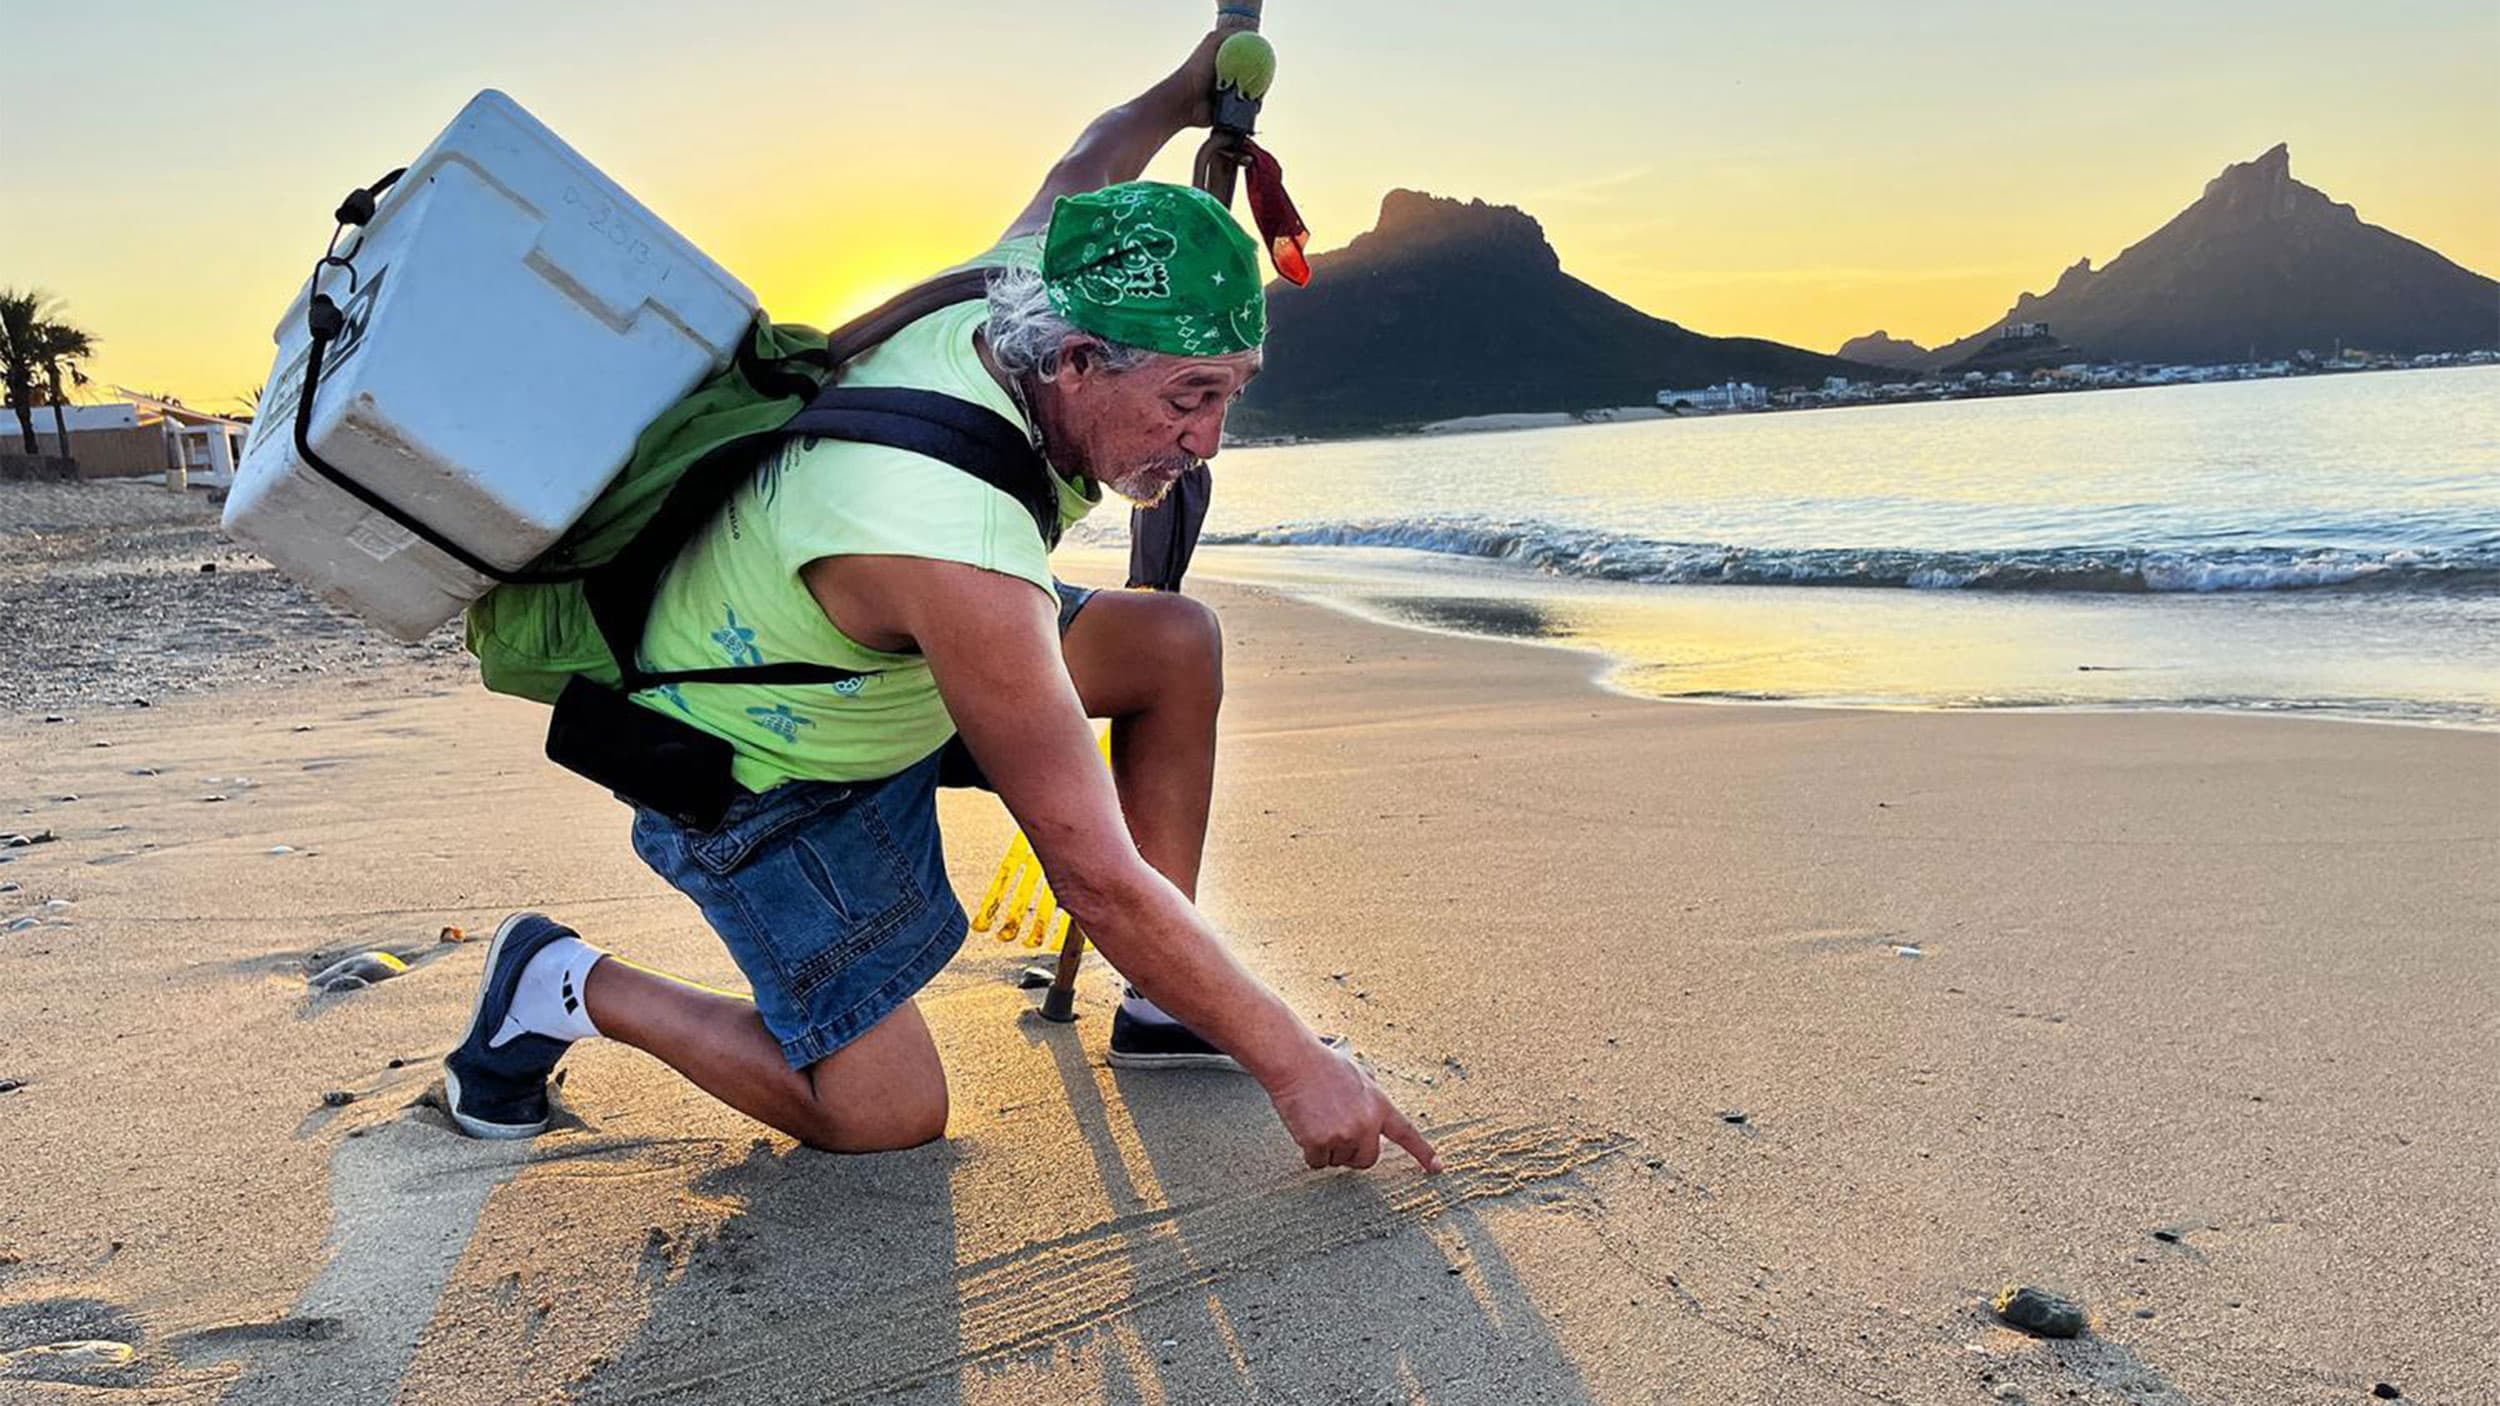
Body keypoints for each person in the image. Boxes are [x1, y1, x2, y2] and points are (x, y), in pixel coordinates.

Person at [441, 24, 1439, 1175]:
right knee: (884, 1111)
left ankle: (1172, 999)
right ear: (1072, 363)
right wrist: (1294, 1060)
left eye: (1231, 395)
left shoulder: (1029, 284)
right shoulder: (950, 539)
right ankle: (555, 980)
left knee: (1167, 644)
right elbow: (1095, 875)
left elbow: (1093, 156)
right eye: (1188, 394)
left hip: (881, 666)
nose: (1205, 440)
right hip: (760, 768)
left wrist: (1185, 84)